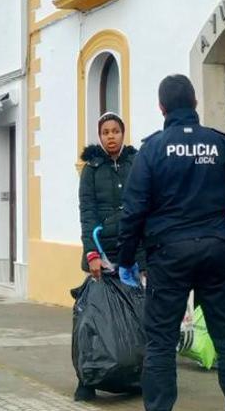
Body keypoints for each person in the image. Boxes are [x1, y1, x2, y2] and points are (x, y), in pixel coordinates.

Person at [116, 74, 225, 411]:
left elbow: (133, 211)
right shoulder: (221, 145)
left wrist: (126, 260)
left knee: (161, 343)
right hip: (215, 252)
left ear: (161, 107)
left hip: (168, 256)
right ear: (195, 103)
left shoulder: (151, 149)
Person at [74, 111, 142, 402]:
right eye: (105, 132)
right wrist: (91, 253)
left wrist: (144, 258)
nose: (111, 136)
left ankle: (136, 375)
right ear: (99, 136)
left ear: (123, 133)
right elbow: (87, 213)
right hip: (101, 254)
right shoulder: (91, 169)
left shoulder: (135, 164)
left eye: (115, 131)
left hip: (132, 253)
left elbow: (144, 209)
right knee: (92, 319)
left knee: (138, 317)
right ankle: (87, 379)